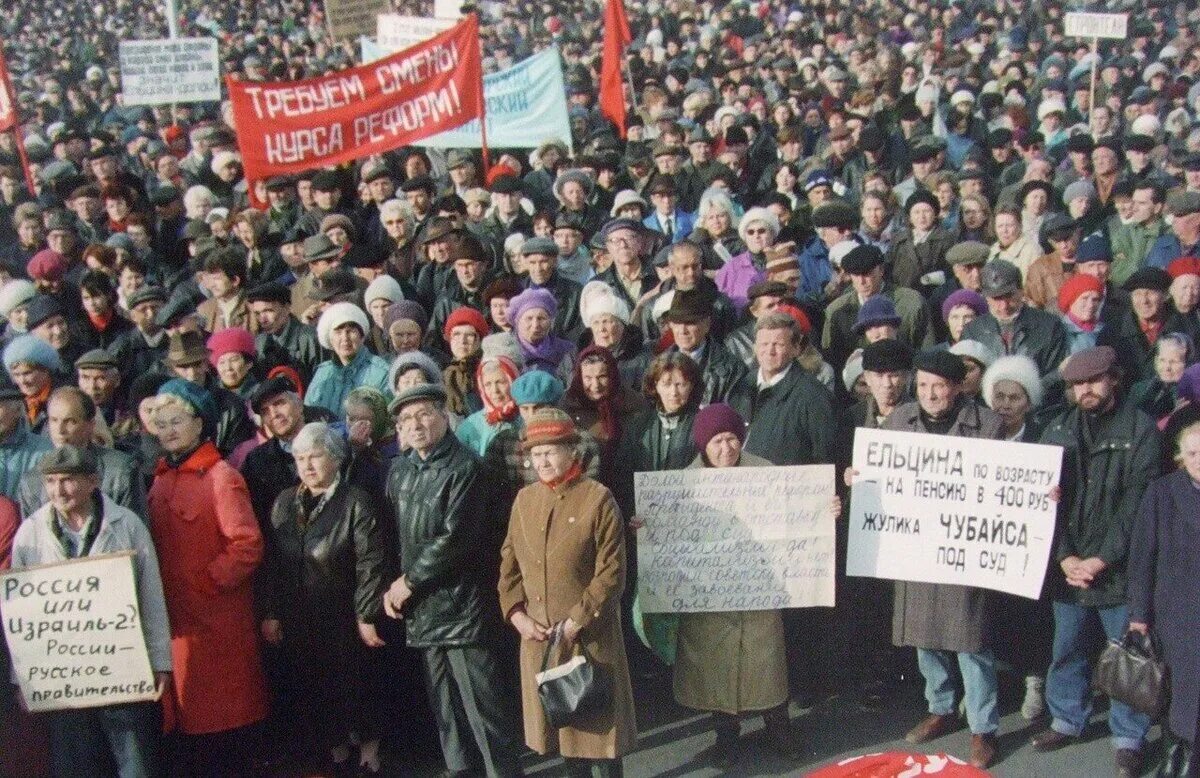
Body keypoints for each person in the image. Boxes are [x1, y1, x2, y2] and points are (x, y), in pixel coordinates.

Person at [848, 348, 1004, 769]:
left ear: (956, 388)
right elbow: (879, 474)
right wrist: (858, 477)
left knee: (970, 640)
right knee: (923, 634)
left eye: (939, 386)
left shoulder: (986, 425)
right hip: (915, 549)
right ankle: (940, 706)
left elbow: (1007, 486)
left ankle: (982, 728)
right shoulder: (900, 420)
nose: (930, 394)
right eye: (922, 386)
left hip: (962, 549)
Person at [1033, 346, 1160, 778]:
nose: (1083, 390)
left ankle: (1129, 737)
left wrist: (1101, 558)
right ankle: (1067, 719)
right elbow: (1047, 501)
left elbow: (1137, 505)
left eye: (1092, 381)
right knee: (1066, 648)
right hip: (1070, 565)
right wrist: (1065, 555)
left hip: (1118, 567)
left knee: (1126, 656)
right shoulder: (1058, 429)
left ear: (1115, 379)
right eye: (1075, 384)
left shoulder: (1141, 431)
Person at [384, 384, 522, 778]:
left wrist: (407, 582)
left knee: (485, 710)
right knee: (445, 710)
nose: (417, 424)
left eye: (425, 414)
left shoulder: (467, 468)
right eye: (407, 419)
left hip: (463, 605)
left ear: (445, 417)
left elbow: (456, 538)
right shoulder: (400, 470)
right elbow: (398, 535)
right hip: (423, 607)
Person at [11, 445, 172, 778]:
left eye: (68, 481)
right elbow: (21, 617)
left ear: (93, 481)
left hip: (122, 669)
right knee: (77, 766)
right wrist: (23, 679)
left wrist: (160, 662)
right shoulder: (30, 531)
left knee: (135, 763)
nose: (59, 490)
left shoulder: (127, 525)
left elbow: (151, 595)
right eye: (51, 481)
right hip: (64, 678)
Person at [498, 407, 638, 778]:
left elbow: (612, 571)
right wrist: (516, 615)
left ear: (573, 452)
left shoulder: (598, 499)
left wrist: (578, 619)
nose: (542, 460)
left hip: (589, 638)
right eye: (535, 453)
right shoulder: (524, 501)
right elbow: (508, 566)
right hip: (540, 640)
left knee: (600, 740)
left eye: (551, 451)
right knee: (564, 740)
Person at [667, 403, 802, 765]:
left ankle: (778, 726)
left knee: (766, 663)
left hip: (759, 590)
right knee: (716, 670)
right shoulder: (684, 484)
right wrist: (649, 526)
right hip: (711, 598)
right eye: (717, 441)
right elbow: (671, 535)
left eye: (731, 439)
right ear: (702, 445)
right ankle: (726, 735)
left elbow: (797, 520)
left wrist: (823, 509)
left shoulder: (767, 474)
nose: (726, 448)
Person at [147, 379, 268, 776]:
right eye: (160, 422)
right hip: (176, 626)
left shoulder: (221, 476)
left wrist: (206, 584)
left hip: (219, 628)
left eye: (177, 420)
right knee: (187, 731)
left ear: (201, 423)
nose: (168, 430)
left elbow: (246, 545)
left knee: (224, 732)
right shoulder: (160, 480)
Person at [259, 423, 389, 775]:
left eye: (315, 456)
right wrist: (271, 612)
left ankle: (368, 753)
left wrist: (366, 613)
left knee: (356, 683)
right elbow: (272, 561)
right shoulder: (285, 501)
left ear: (335, 458)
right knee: (314, 686)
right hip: (299, 612)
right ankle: (335, 751)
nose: (307, 465)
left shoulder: (355, 500)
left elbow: (370, 561)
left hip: (344, 612)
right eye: (300, 458)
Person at [979, 355, 1054, 721]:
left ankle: (1034, 681)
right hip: (986, 543)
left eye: (1015, 397)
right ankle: (991, 685)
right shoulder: (978, 436)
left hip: (1026, 547)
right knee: (989, 615)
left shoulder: (1044, 439)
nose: (1005, 405)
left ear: (1029, 402)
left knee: (1029, 616)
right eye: (1000, 396)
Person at [1128, 421, 1200, 776]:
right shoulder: (1162, 493)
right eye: (1192, 453)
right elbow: (1142, 557)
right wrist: (1139, 614)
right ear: (1180, 458)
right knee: (1175, 689)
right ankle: (1177, 752)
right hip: (1175, 611)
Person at [16, 386, 145, 518]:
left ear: (90, 425)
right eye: (54, 420)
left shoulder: (121, 471)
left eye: (70, 421)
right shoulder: (32, 481)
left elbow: (134, 530)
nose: (60, 430)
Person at [306, 302, 391, 419]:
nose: (345, 338)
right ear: (330, 339)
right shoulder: (322, 373)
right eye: (338, 332)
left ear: (362, 336)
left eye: (351, 331)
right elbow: (309, 413)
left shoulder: (381, 373)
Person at [455, 351, 521, 456]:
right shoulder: (470, 426)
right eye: (488, 384)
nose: (495, 390)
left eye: (500, 382)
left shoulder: (527, 417)